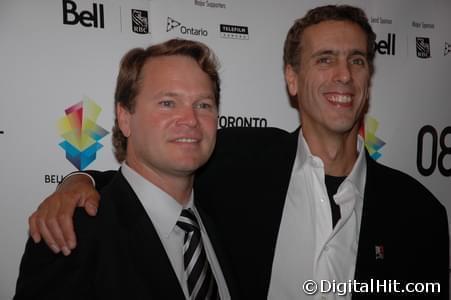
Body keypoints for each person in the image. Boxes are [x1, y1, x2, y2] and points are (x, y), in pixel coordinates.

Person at [26, 5, 449, 300]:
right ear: (292, 79)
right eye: (324, 59)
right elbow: (149, 174)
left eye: (357, 61)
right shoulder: (236, 166)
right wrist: (76, 182)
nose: (343, 75)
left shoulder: (419, 212)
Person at [15, 39, 239, 299]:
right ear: (125, 118)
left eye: (203, 105)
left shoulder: (230, 215)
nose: (190, 120)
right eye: (167, 103)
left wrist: (79, 178)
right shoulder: (70, 234)